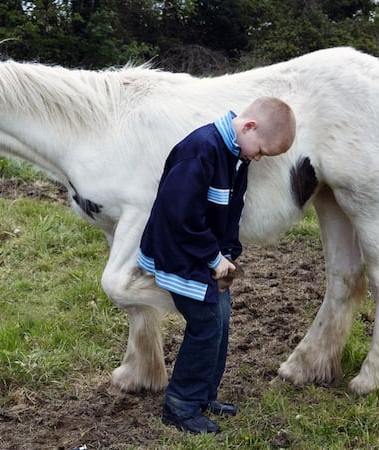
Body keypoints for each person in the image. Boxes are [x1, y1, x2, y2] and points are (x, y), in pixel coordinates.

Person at [137, 96, 296, 434]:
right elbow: (180, 217)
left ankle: (202, 396)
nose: (258, 157)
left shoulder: (236, 156)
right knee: (206, 325)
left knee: (220, 320)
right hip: (179, 255)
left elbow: (230, 211)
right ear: (249, 127)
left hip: (209, 258)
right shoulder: (201, 150)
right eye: (261, 151)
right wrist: (213, 257)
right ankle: (180, 407)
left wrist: (228, 252)